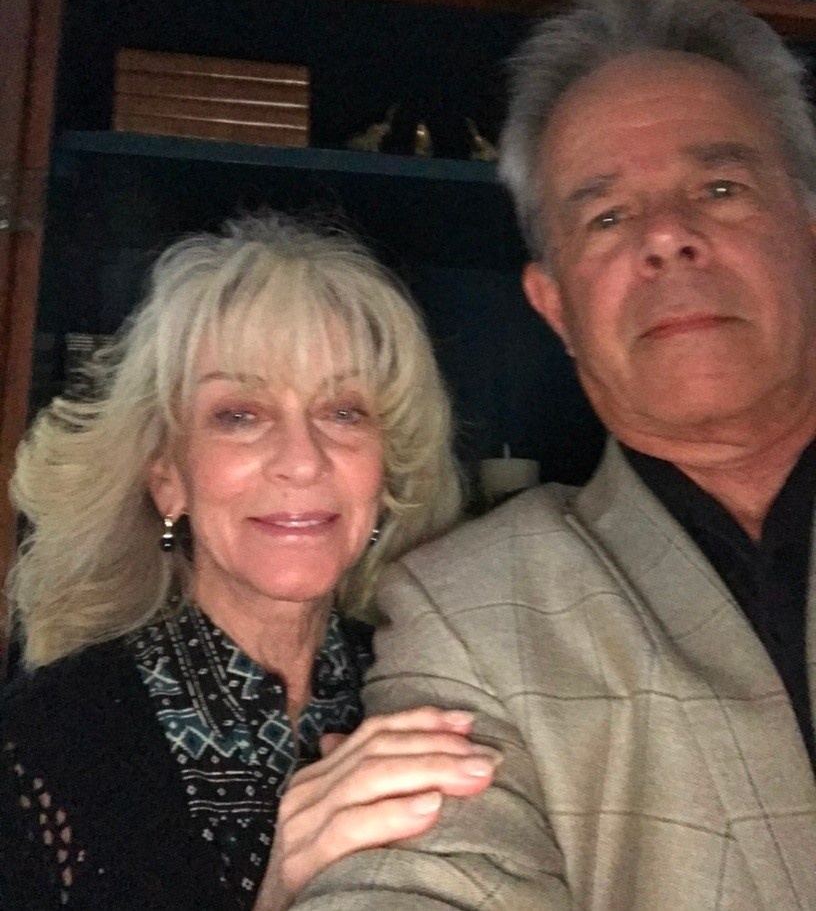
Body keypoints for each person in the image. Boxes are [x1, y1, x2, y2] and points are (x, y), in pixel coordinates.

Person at [292, 0, 816, 910]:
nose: (668, 237)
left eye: (720, 189)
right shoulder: (468, 610)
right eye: (607, 216)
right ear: (555, 306)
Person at [0, 214, 501, 911]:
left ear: (388, 470)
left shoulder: (443, 688)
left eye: (343, 411)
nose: (302, 460)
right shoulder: (42, 740)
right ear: (167, 477)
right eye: (240, 414)